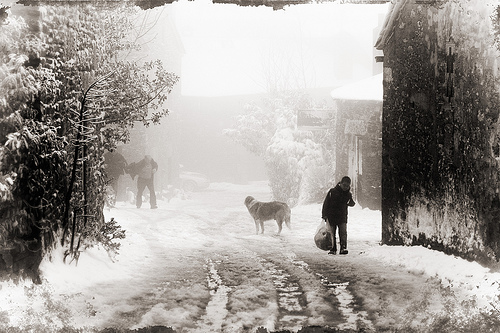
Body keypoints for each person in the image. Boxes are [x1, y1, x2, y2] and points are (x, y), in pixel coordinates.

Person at [321, 176, 355, 255]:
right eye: (344, 185)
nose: (345, 187)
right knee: (332, 233)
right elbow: (326, 203)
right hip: (331, 216)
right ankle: (333, 248)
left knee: (343, 233)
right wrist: (324, 215)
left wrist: (351, 202)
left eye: (347, 186)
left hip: (342, 217)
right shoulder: (332, 191)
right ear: (340, 183)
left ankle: (343, 248)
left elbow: (351, 203)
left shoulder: (348, 194)